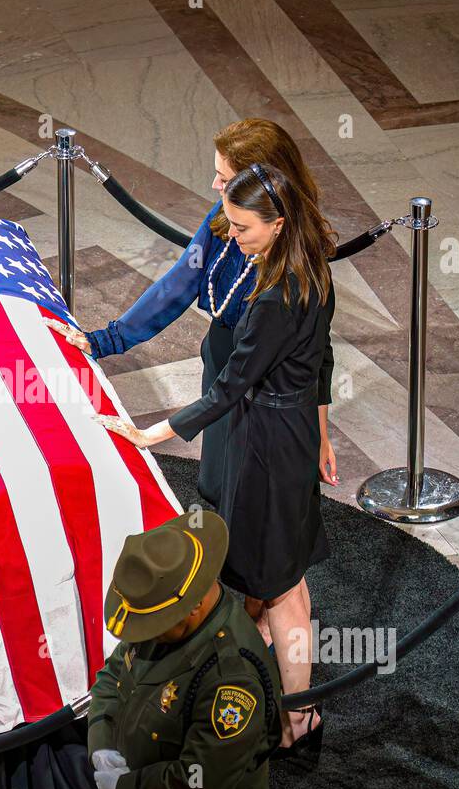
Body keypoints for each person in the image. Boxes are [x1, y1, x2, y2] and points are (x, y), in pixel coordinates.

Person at [93, 163, 334, 757]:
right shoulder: (309, 267)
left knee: (277, 587)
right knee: (276, 579)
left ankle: (298, 719)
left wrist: (153, 434)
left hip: (267, 446)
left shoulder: (275, 297)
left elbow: (230, 385)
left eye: (243, 227)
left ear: (278, 224)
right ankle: (264, 697)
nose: (231, 235)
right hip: (291, 434)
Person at [66, 119, 337, 505]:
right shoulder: (227, 217)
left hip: (265, 388)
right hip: (224, 361)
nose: (215, 186)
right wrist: (106, 340)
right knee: (219, 478)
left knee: (257, 495)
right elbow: (179, 283)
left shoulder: (297, 270)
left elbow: (319, 357)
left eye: (224, 178)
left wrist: (320, 435)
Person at [88, 511, 283, 789]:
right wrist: (102, 741)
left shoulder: (231, 676)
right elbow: (112, 676)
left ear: (193, 608)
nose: (145, 633)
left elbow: (200, 783)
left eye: (154, 625)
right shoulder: (167, 621)